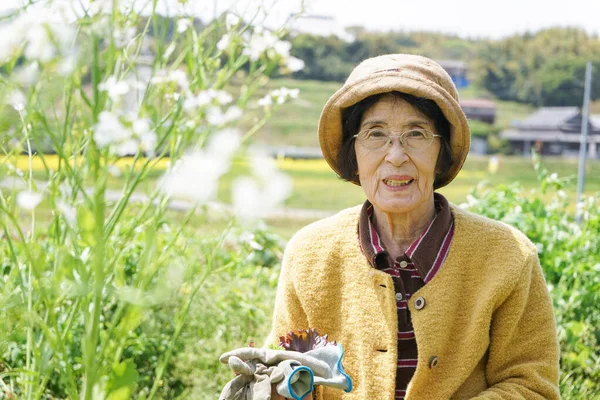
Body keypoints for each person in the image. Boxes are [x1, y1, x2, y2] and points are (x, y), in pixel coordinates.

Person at [265, 54, 560, 399]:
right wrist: (272, 385)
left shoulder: (507, 255)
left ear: (442, 152)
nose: (395, 156)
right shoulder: (309, 253)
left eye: (416, 134)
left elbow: (532, 385)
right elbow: (288, 369)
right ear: (353, 153)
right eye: (376, 134)